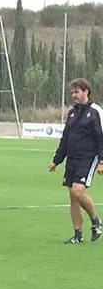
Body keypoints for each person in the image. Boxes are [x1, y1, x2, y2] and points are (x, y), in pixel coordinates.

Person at [49, 78, 103, 243]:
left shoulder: (95, 111)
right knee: (73, 197)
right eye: (72, 92)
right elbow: (65, 139)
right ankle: (78, 235)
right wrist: (56, 160)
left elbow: (101, 137)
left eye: (77, 92)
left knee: (77, 191)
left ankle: (95, 220)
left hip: (88, 158)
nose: (74, 95)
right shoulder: (72, 113)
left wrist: (102, 161)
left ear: (86, 91)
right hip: (72, 159)